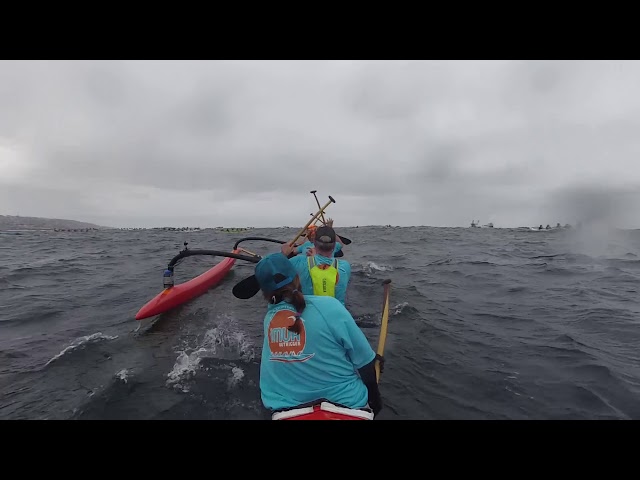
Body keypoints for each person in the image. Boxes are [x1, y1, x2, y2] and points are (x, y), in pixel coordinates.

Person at [254, 252, 383, 419]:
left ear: (264, 292)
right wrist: (375, 399)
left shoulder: (268, 318)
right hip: (347, 407)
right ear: (298, 277)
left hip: (285, 412)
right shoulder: (330, 306)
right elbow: (365, 363)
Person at [283, 225, 351, 306]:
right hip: (336, 314)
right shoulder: (345, 266)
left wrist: (284, 254)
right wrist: (330, 230)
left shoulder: (298, 261)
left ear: (314, 243)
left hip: (309, 313)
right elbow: (341, 244)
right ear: (334, 246)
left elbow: (275, 269)